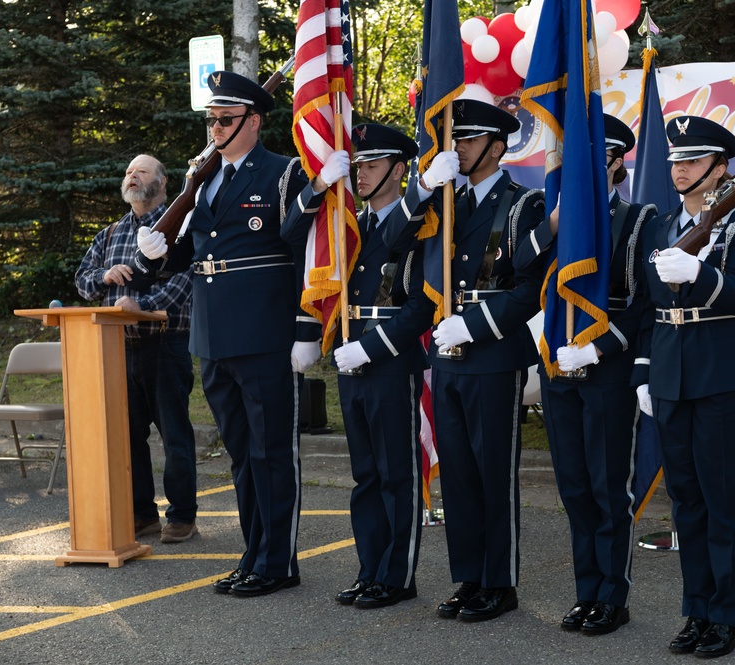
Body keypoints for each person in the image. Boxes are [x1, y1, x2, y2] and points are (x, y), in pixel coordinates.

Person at [135, 71, 317, 598]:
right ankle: (253, 552)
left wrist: (306, 329)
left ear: (253, 121)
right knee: (241, 453)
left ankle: (278, 562)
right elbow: (192, 254)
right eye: (210, 119)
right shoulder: (205, 178)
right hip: (212, 337)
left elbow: (308, 256)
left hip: (264, 335)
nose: (214, 128)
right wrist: (159, 254)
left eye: (225, 119)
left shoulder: (284, 175)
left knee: (271, 453)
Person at [382, 99, 546, 622]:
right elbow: (392, 240)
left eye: (470, 140)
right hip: (445, 354)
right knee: (457, 473)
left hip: (493, 349)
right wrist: (424, 187)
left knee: (492, 470)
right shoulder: (441, 201)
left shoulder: (524, 205)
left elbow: (530, 289)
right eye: (458, 139)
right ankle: (468, 577)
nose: (459, 147)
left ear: (497, 147)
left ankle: (500, 583)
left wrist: (474, 325)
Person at [634, 115, 735, 658]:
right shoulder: (663, 226)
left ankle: (726, 615)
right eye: (675, 161)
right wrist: (645, 371)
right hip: (670, 369)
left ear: (721, 168)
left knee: (725, 500)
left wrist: (699, 273)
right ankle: (696, 609)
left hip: (725, 372)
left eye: (692, 160)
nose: (679, 169)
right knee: (686, 501)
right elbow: (649, 310)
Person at [513, 115, 656, 635]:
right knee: (574, 486)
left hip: (608, 370)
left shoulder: (640, 221)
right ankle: (585, 592)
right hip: (558, 369)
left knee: (606, 486)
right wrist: (553, 223)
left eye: (595, 161)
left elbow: (642, 304)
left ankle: (612, 596)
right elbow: (519, 266)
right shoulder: (556, 217)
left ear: (617, 163)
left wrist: (598, 348)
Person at [280, 124, 433, 609]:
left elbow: (421, 305)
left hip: (388, 358)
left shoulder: (420, 223)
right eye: (358, 165)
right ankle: (370, 570)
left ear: (398, 170)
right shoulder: (346, 224)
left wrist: (375, 347)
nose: (361, 174)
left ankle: (398, 575)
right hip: (349, 354)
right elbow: (290, 235)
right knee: (365, 474)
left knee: (396, 473)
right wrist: (320, 184)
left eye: (371, 165)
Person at [75, 154, 199, 545]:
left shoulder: (178, 228)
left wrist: (140, 307)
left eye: (141, 171)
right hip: (116, 349)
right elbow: (82, 281)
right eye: (128, 171)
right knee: (128, 436)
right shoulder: (109, 235)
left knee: (174, 434)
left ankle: (182, 516)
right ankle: (142, 515)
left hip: (165, 345)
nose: (131, 176)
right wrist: (103, 275)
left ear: (162, 184)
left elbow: (186, 283)